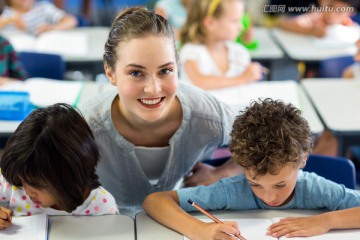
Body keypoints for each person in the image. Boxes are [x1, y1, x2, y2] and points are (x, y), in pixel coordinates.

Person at [80, 6, 243, 217]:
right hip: (106, 224)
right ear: (110, 73)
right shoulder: (85, 125)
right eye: (136, 73)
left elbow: (277, 138)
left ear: (178, 67)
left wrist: (224, 172)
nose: (154, 88)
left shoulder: (208, 115)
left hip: (179, 223)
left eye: (165, 71)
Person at [143, 98, 360, 239]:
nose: (269, 197)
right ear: (239, 161)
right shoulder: (232, 190)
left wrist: (326, 221)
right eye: (255, 183)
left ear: (302, 159)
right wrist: (201, 230)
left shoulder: (314, 189)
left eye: (280, 184)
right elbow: (155, 201)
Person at [0, 103, 118, 230]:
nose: (28, 192)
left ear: (69, 176)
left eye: (37, 185)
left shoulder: (102, 206)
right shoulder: (11, 185)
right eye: (23, 181)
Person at [178, 0, 263, 90]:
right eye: (235, 21)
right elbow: (200, 82)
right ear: (210, 23)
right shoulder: (192, 51)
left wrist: (252, 74)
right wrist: (243, 78)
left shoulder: (239, 52)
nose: (241, 27)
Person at [276, 0, 359, 38]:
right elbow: (283, 24)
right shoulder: (316, 17)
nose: (332, 13)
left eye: (340, 11)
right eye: (330, 7)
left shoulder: (349, 26)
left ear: (351, 13)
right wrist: (311, 31)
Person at [0, 0, 77, 35]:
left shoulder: (44, 8)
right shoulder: (4, 12)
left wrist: (53, 28)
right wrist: (9, 20)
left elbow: (71, 21)